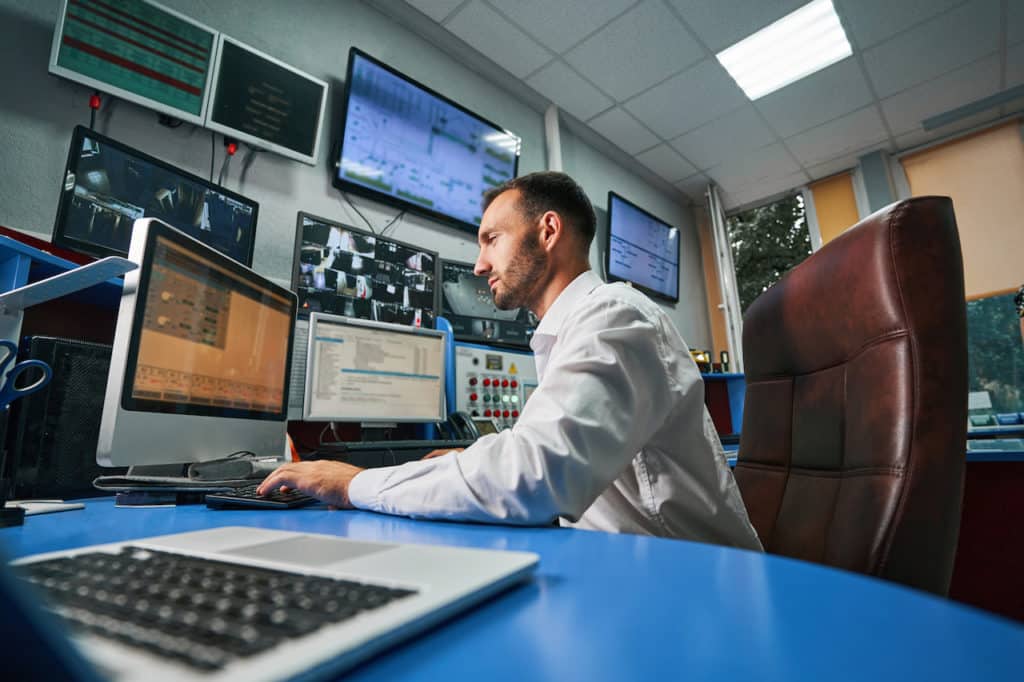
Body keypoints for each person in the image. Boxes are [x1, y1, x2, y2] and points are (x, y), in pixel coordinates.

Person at [260, 172, 762, 550]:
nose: (480, 265)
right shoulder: (579, 329)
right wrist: (469, 459)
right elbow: (544, 448)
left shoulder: (615, 316)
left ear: (547, 231)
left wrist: (355, 484)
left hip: (689, 592)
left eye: (491, 240)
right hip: (635, 572)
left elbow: (536, 475)